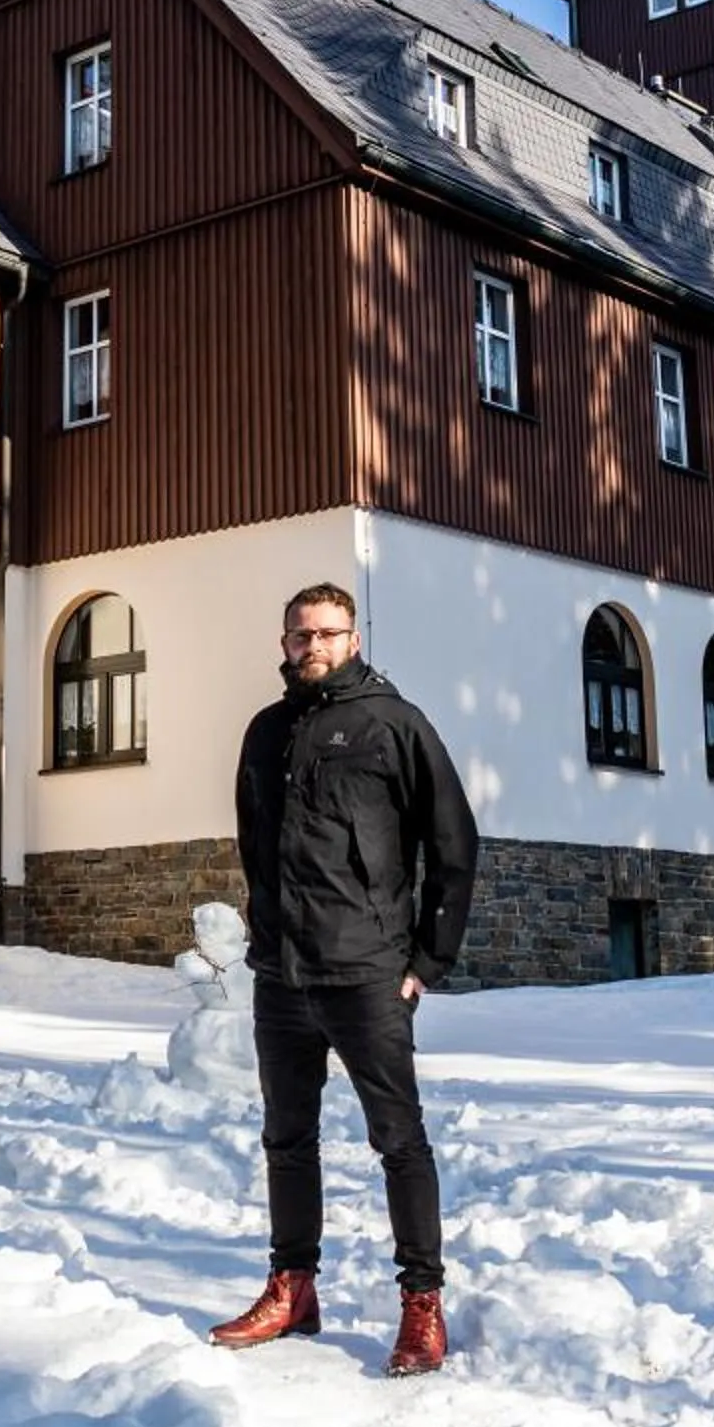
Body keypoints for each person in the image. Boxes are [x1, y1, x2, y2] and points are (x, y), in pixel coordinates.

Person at [208, 580, 478, 1378]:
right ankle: (293, 1287)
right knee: (287, 1140)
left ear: (353, 639)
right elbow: (255, 843)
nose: (312, 646)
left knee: (399, 1141)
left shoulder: (394, 725)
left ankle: (421, 1305)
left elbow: (454, 845)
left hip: (367, 974)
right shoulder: (265, 732)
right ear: (285, 643)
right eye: (300, 635)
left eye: (327, 633)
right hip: (281, 975)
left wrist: (427, 961)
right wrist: (264, 936)